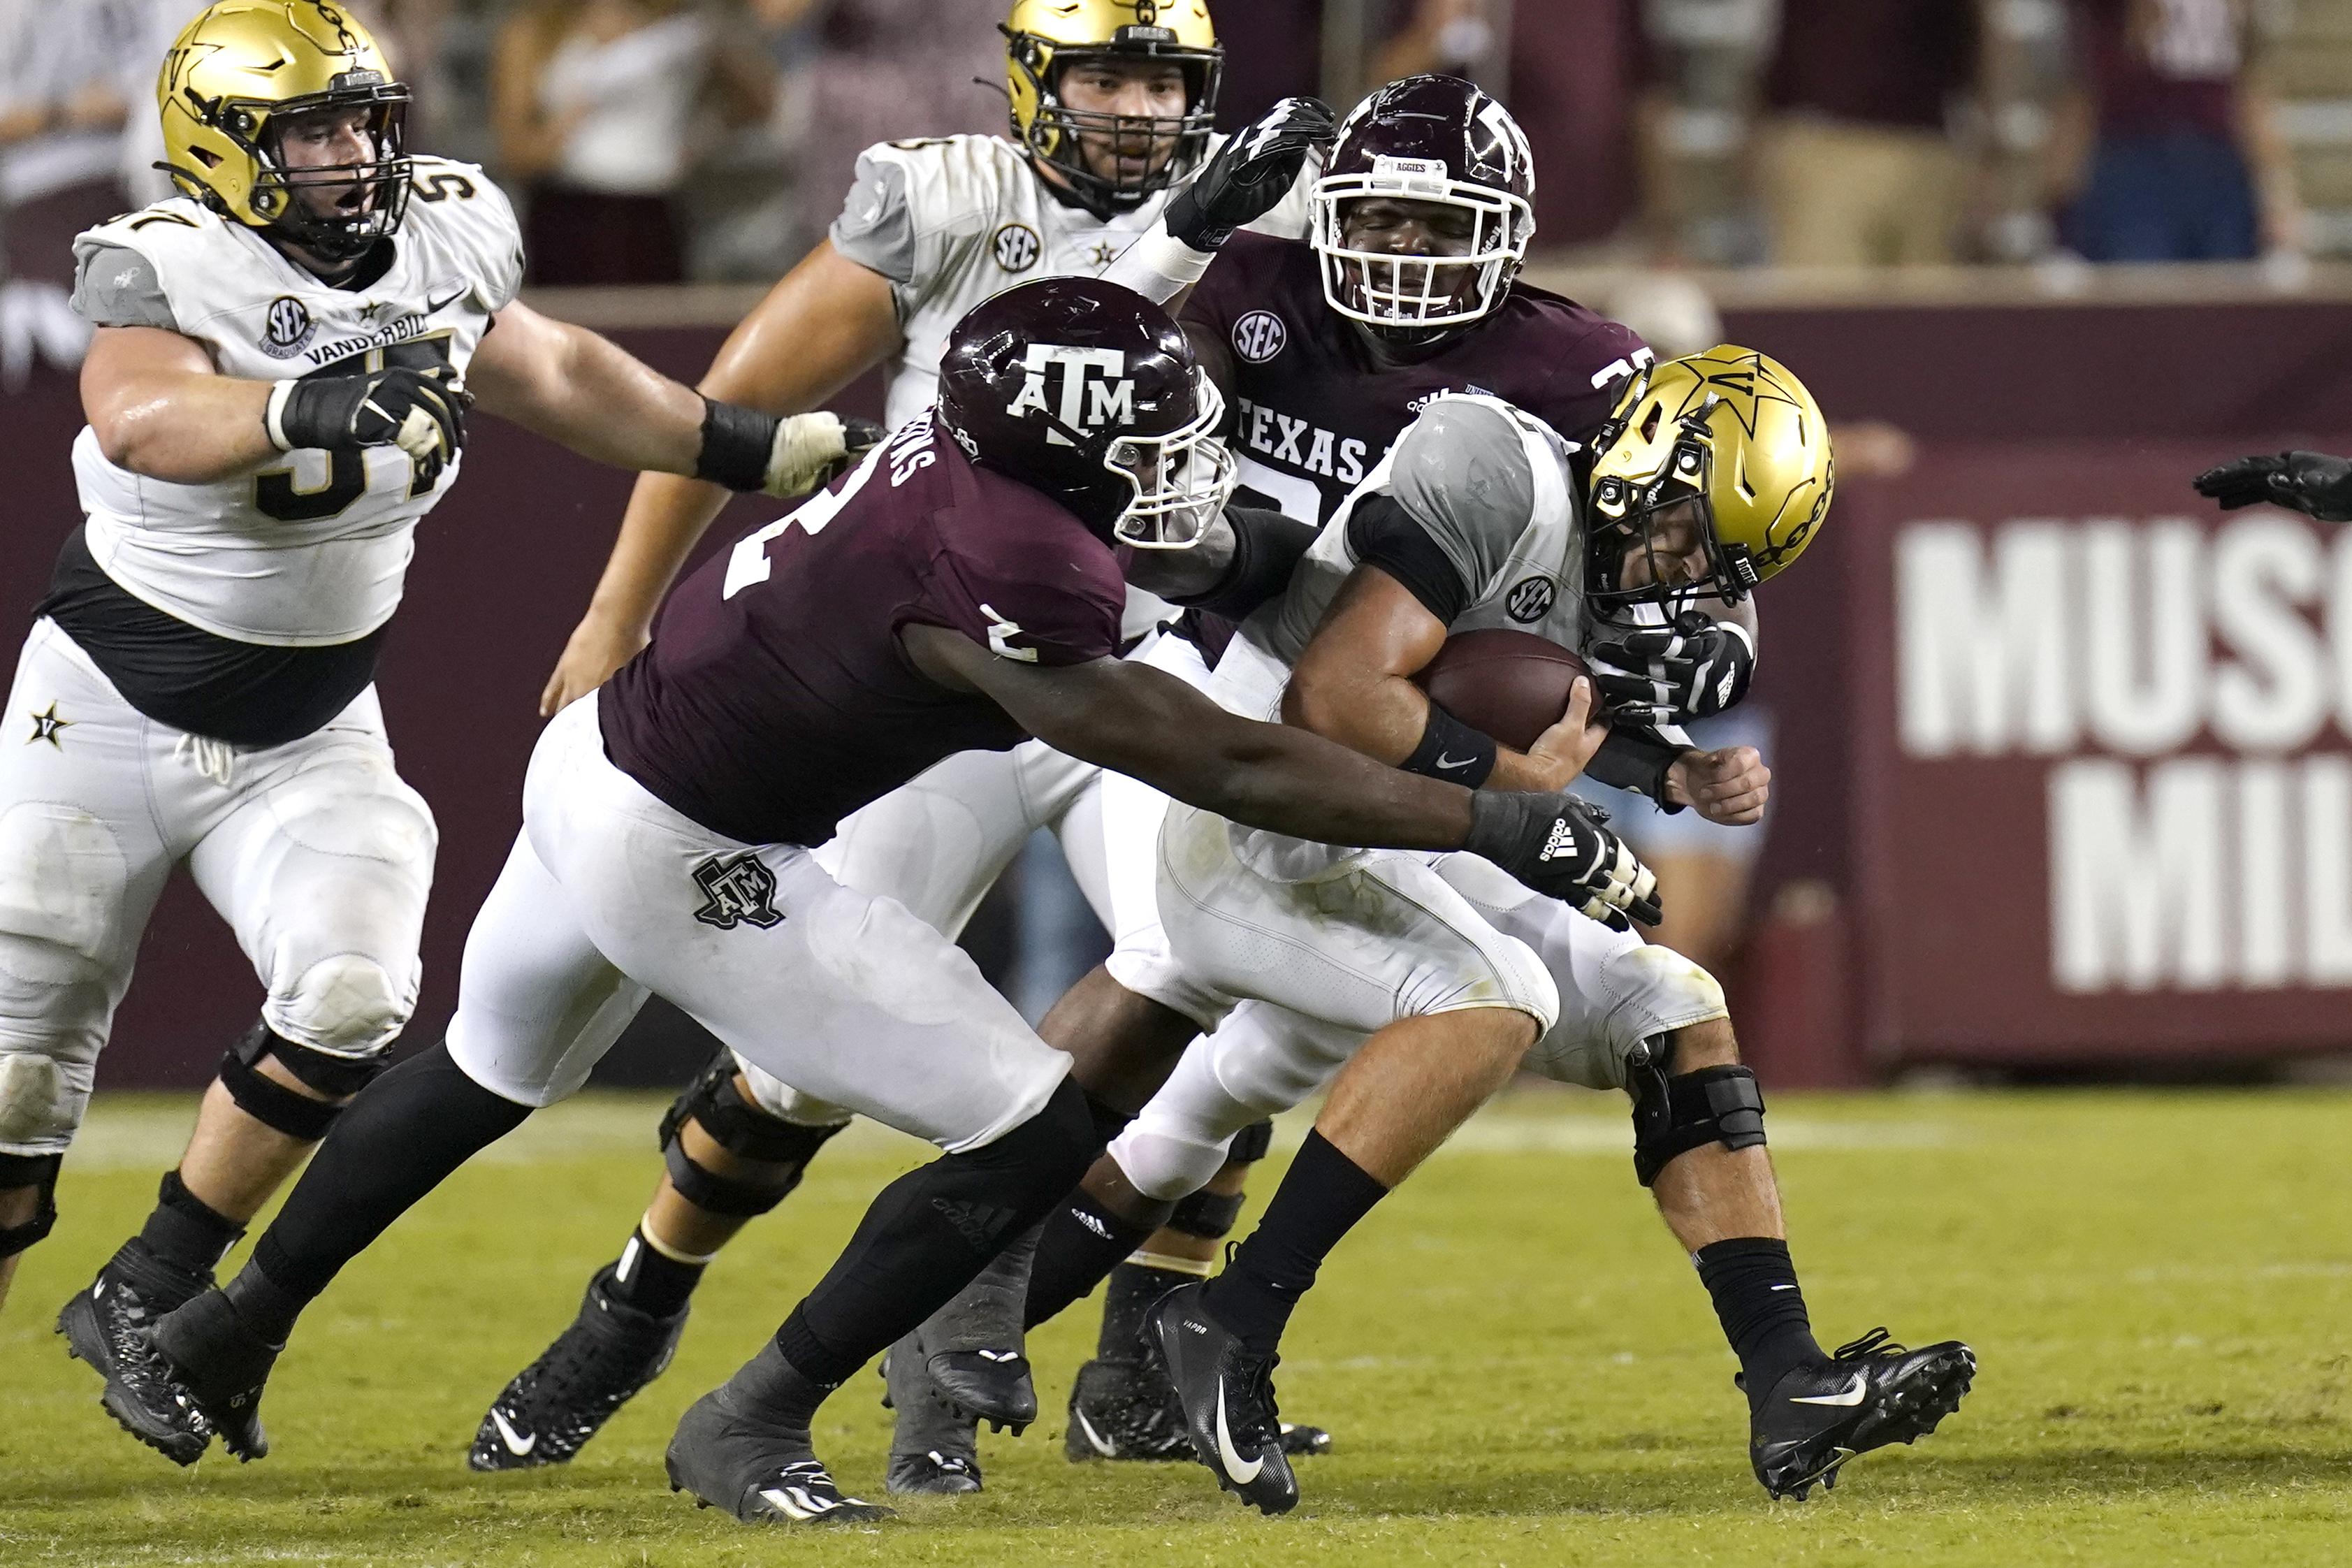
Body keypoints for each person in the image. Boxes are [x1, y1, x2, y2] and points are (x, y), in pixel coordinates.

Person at [110, 279, 1664, 1530]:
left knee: (483, 1067)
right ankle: (751, 1418)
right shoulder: (1013, 566)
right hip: (693, 848)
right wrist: (1500, 822)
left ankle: (214, 1342)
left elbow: (1212, 551)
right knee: (1036, 1130)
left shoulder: (978, 468)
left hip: (601, 760)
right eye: (1150, 446)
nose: (1181, 465)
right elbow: (1227, 762)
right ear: (1059, 454)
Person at [477, 0, 1333, 1495]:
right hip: (946, 680)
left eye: (1165, 78)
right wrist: (621, 609)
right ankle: (631, 1310)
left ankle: (1126, 1355)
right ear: (1029, 78)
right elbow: (731, 408)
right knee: (797, 1070)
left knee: (1224, 965)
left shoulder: (1268, 213)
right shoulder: (947, 196)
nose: (1138, 106)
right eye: (1106, 73)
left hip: (1128, 668)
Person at [31, 0, 871, 1446]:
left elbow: (547, 371)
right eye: (314, 131)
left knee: (357, 990)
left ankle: (149, 1281)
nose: (356, 152)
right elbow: (140, 419)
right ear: (222, 147)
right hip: (100, 718)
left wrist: (735, 444)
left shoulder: (445, 233)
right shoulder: (163, 258)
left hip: (308, 720)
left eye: (365, 120)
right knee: (11, 1097)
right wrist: (308, 406)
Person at [1026, 350, 1975, 1515]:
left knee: (1674, 1008)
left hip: (1387, 837)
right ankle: (1227, 1315)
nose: (1684, 575)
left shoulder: (1625, 575)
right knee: (1486, 998)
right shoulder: (1493, 463)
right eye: (1688, 533)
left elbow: (1525, 694)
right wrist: (1521, 808)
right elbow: (1341, 693)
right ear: (1643, 451)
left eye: (1717, 564)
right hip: (1257, 813)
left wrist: (1671, 767)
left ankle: (1790, 1381)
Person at [1055, 72, 1663, 1464]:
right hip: (1183, 674)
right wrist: (1181, 240)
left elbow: (1627, 573)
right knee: (1173, 969)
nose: (1397, 257)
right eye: (1377, 222)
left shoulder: (1583, 371)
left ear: (1509, 235)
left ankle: (1124, 1371)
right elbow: (1062, 373)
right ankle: (955, 1305)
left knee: (1275, 1029)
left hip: (1373, 723)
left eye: (1435, 231)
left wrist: (1626, 698)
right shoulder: (1251, 290)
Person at [491, 0, 778, 285]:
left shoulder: (683, 29)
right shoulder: (536, 30)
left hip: (651, 214)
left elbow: (762, 103)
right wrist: (573, 118)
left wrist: (702, 138)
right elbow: (516, 151)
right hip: (568, 214)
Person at [2049, 0, 2300, 263]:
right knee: (2143, 288)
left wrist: (2278, 191)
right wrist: (2060, 206)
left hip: (2218, 163)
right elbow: (2081, 91)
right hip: (2135, 160)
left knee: (2225, 292)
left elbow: (2249, 86)